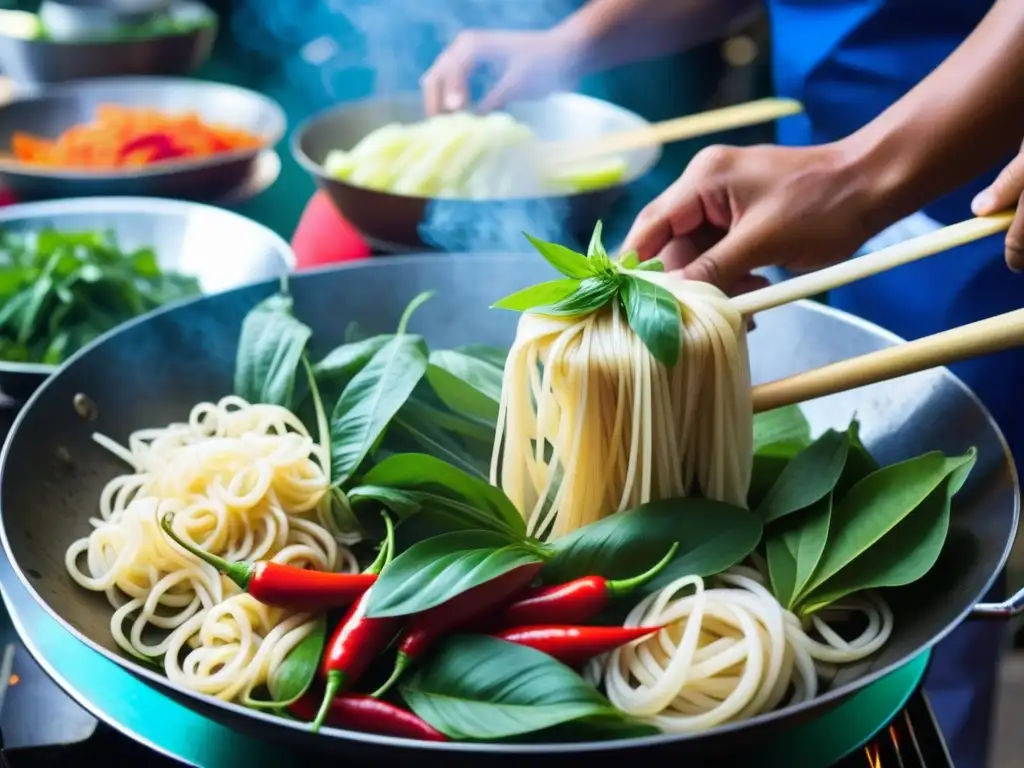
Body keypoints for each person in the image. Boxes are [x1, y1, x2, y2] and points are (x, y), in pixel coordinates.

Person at [423, 2, 1024, 766]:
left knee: (937, 561)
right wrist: (575, 41)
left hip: (992, 202)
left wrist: (860, 173)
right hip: (829, 151)